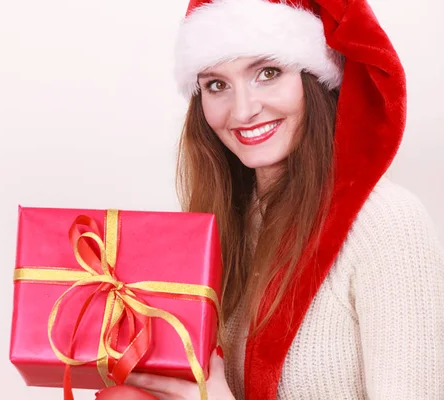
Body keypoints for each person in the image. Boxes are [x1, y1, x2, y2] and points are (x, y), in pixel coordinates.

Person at [97, 0, 444, 398]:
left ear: (316, 79)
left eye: (268, 72)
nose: (243, 110)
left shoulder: (387, 223)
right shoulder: (222, 225)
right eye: (217, 84)